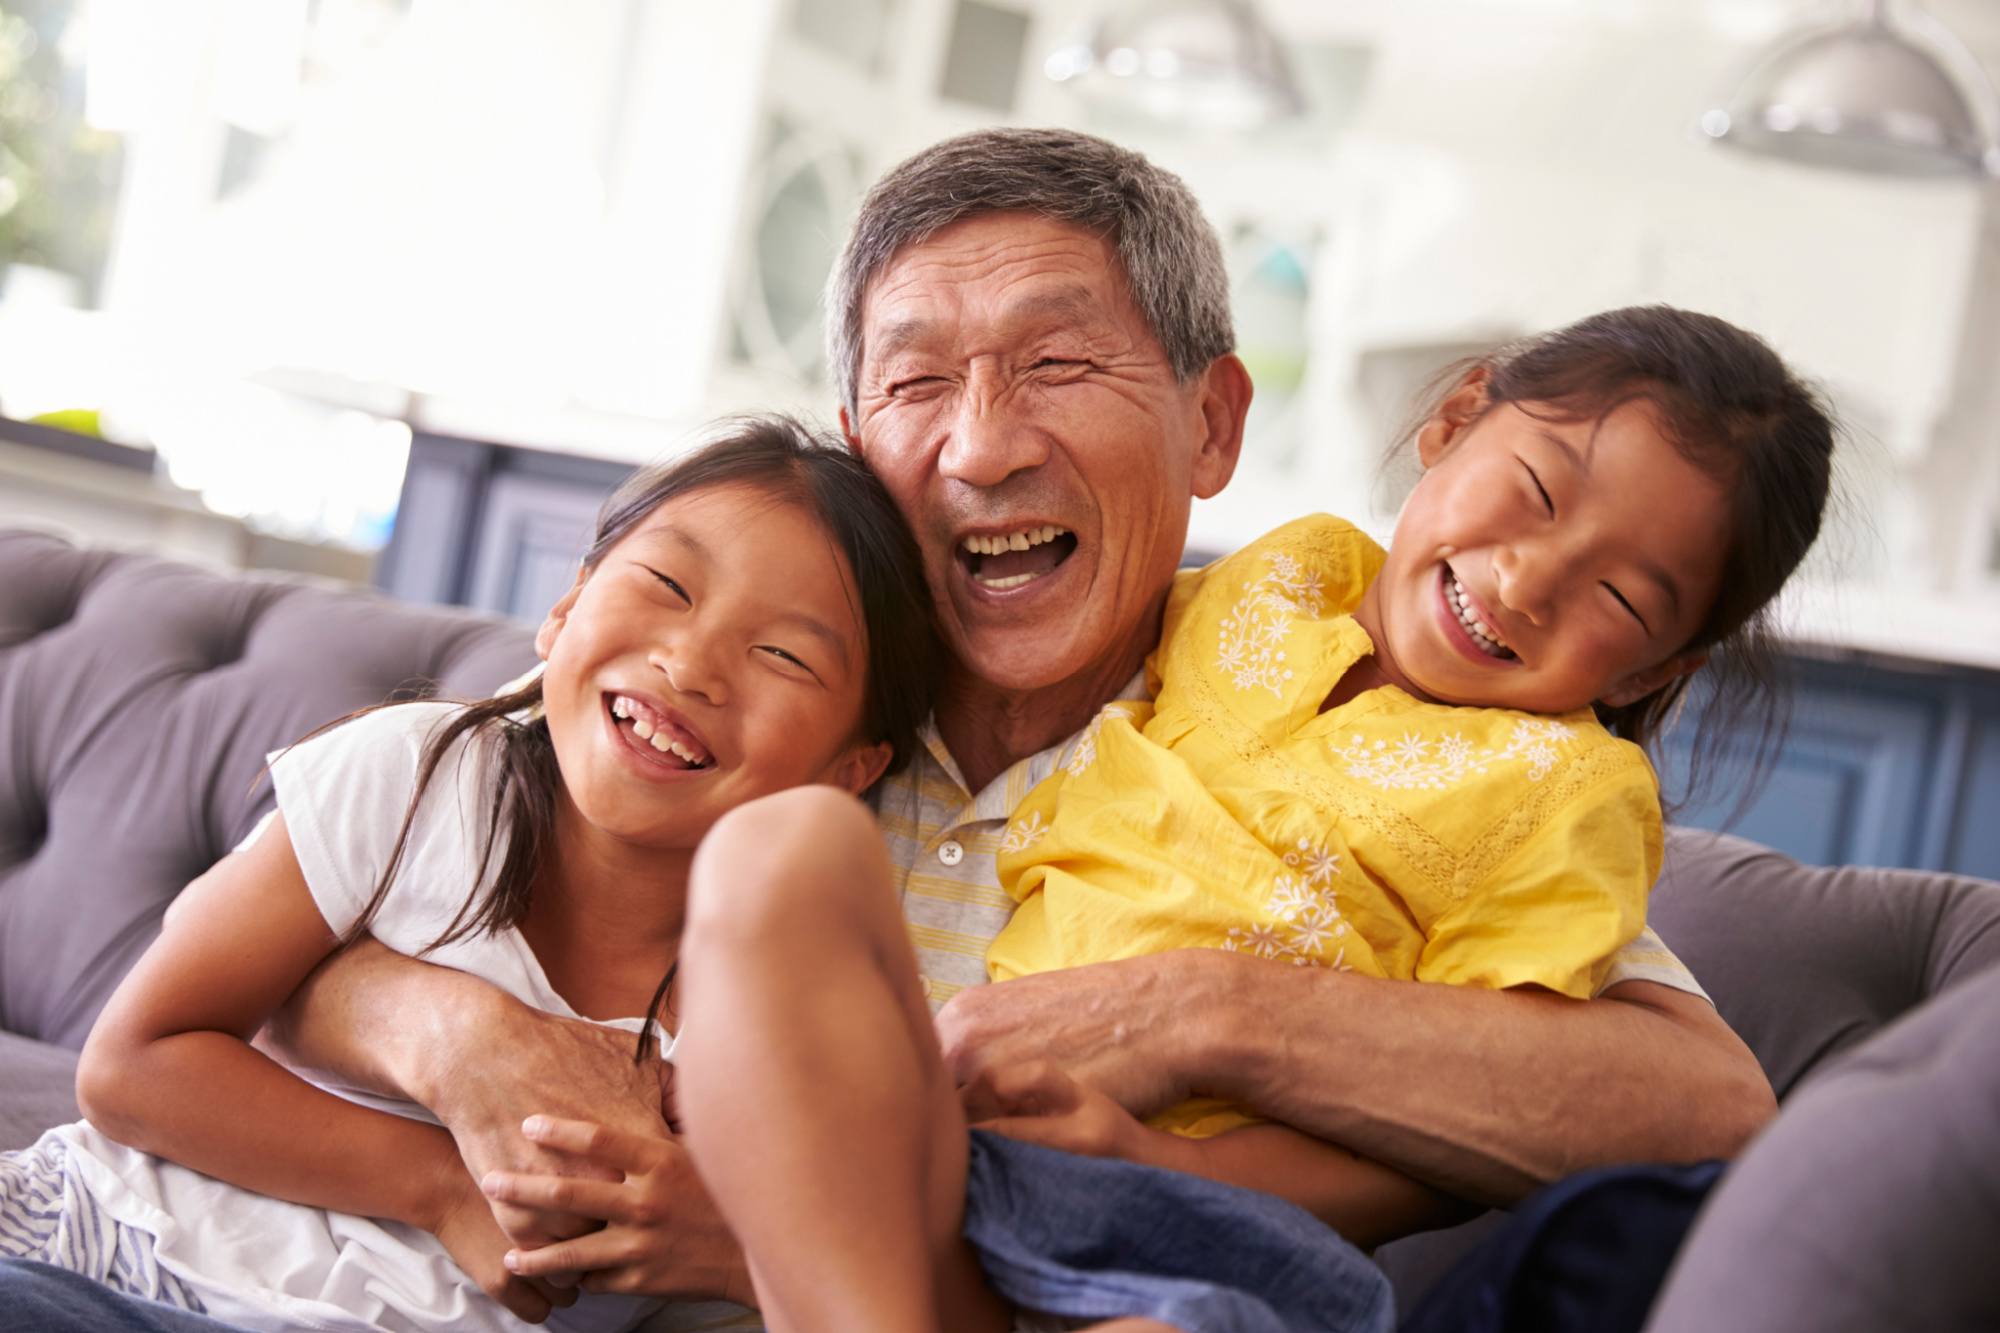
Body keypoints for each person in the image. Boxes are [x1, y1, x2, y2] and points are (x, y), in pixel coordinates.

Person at [0, 129, 1780, 1325]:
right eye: (918, 381)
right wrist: (449, 1028)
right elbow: (395, 858)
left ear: (1214, 423)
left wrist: (1201, 1007)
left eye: (1057, 363)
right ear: (858, 436)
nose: (983, 442)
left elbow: (1694, 1094)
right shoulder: (749, 696)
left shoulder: (1303, 724)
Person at [595, 304, 1831, 1331]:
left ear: (1649, 667)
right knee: (779, 847)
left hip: (1181, 1218)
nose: (1523, 579)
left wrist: (1168, 1157)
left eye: (1617, 591)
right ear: (1453, 421)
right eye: (1531, 493)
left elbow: (1501, 1117)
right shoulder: (1273, 584)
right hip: (958, 1145)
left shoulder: (1561, 799)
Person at [0, 419, 943, 1332]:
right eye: (666, 583)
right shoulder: (417, 776)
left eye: (782, 653)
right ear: (566, 608)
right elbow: (133, 1063)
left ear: (849, 768)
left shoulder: (785, 1010)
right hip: (112, 1242)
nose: (689, 663)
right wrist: (440, 1185)